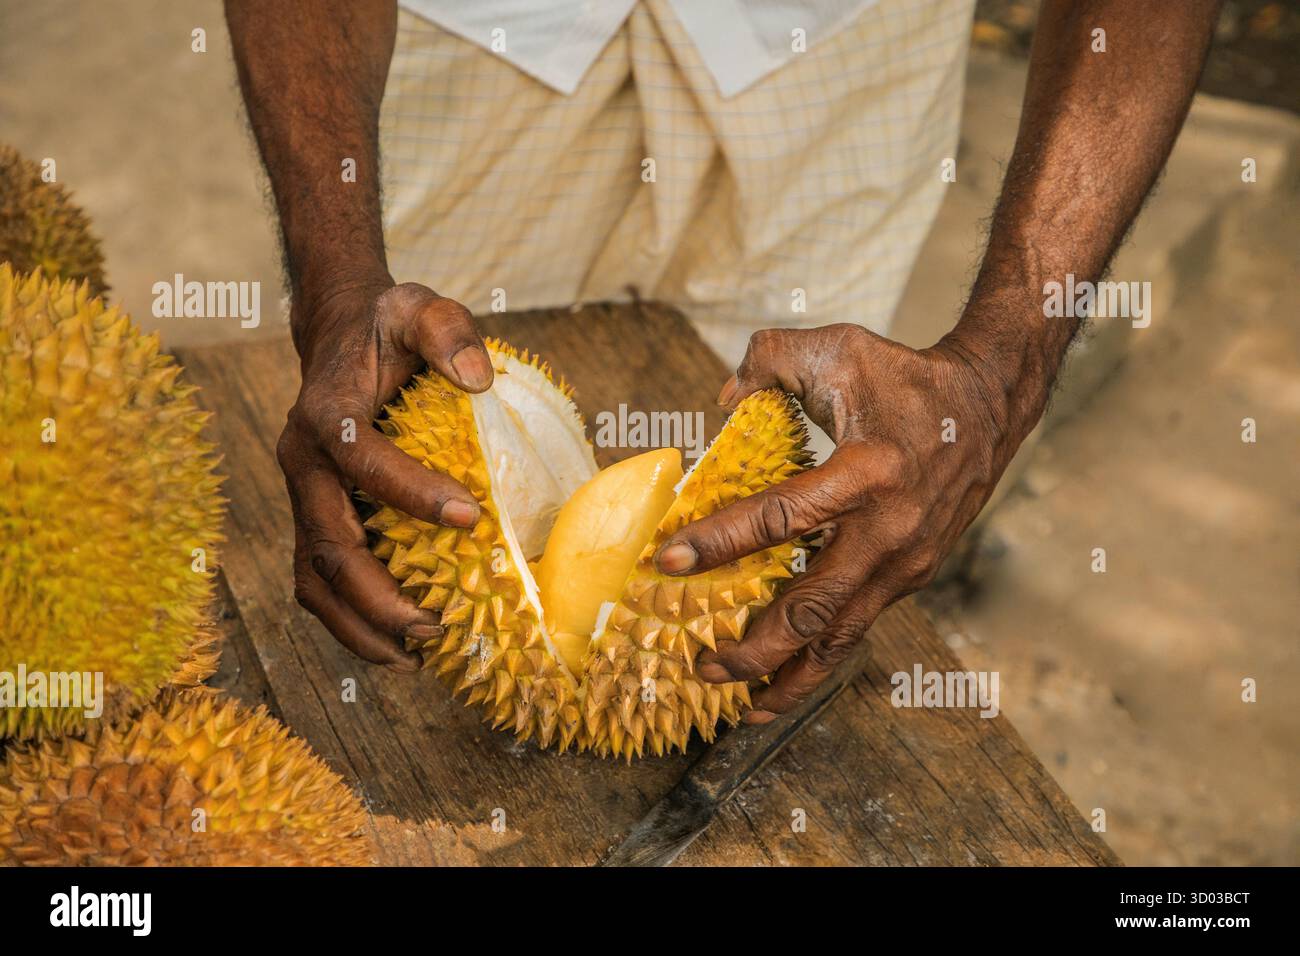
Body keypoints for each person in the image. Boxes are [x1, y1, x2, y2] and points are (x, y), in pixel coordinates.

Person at [224, 0, 1221, 723]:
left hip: (843, 50)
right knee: (407, 446)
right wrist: (337, 282)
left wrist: (1002, 373)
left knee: (802, 505)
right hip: (463, 36)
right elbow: (358, 320)